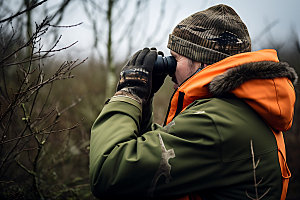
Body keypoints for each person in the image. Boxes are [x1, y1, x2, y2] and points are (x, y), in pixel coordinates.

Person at [89, 4, 298, 200]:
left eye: (176, 59)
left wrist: (128, 95)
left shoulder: (216, 123)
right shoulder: (238, 110)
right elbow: (149, 158)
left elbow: (108, 172)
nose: (170, 68)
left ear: (202, 62)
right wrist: (144, 102)